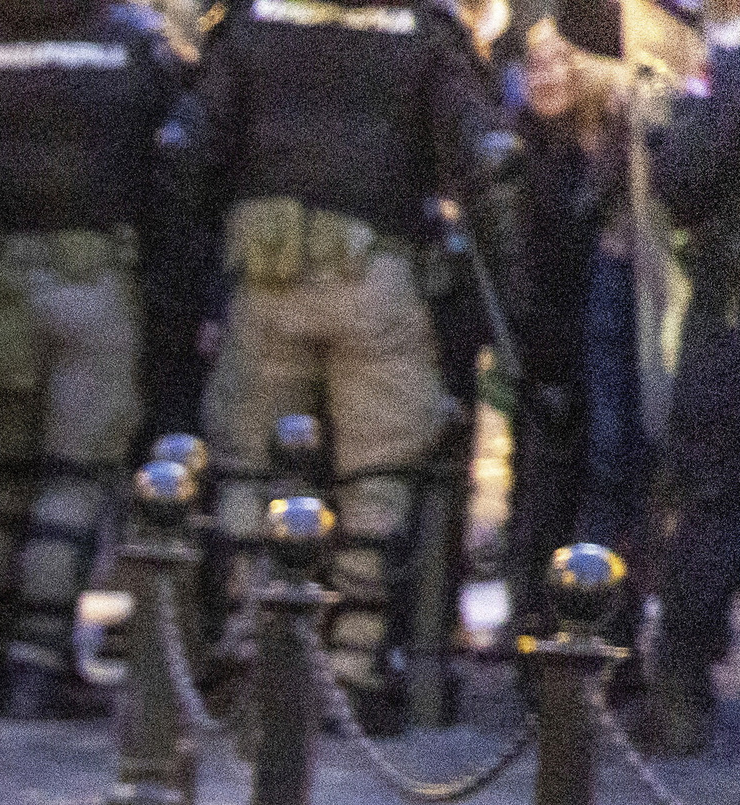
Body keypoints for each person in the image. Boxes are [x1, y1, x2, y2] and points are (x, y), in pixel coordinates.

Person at [169, 0, 510, 711]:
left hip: (264, 275)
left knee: (248, 468)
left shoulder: (252, 21)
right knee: (376, 481)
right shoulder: (424, 30)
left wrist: (191, 289)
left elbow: (191, 149)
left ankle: (245, 647)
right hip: (376, 277)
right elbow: (484, 161)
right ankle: (353, 667)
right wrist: (518, 311)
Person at [0, 0, 183, 720]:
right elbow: (172, 161)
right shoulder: (134, 44)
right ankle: (38, 664)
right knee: (73, 479)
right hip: (97, 280)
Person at [500, 9, 646, 672]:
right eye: (536, 64)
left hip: (601, 353)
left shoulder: (613, 148)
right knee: (546, 493)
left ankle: (603, 635)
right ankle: (537, 633)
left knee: (603, 484)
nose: (549, 76)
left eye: (562, 61)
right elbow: (524, 266)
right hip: (550, 355)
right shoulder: (524, 148)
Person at [644, 6, 740, 756]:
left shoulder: (736, 65)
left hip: (735, 314)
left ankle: (680, 689)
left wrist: (676, 124)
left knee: (712, 499)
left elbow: (683, 176)